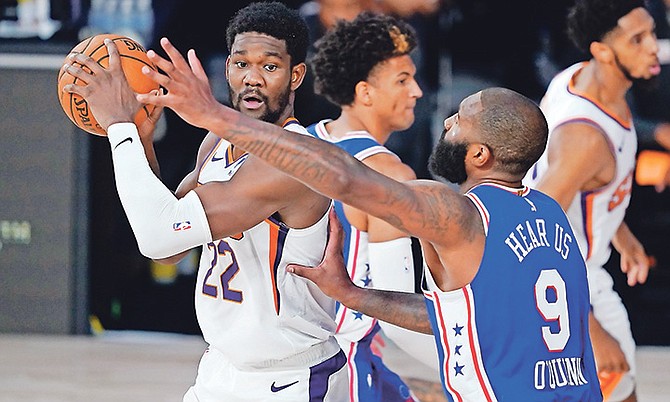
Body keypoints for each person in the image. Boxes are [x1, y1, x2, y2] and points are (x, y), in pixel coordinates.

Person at [130, 35, 602, 398]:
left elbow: (346, 179)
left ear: (479, 154)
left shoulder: (455, 212)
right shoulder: (551, 214)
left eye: (460, 118)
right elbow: (456, 318)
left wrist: (217, 115)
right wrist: (352, 294)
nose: (446, 121)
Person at [62, 2, 348, 401]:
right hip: (219, 367)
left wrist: (120, 127)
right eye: (241, 64)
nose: (252, 79)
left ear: (296, 74)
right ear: (227, 67)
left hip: (290, 375)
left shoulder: (294, 160)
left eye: (269, 67)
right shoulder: (216, 142)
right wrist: (141, 139)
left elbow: (158, 239)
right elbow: (170, 251)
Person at [524, 1, 659, 400]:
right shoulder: (585, 139)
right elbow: (532, 229)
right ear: (602, 50)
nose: (653, 47)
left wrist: (618, 231)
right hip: (570, 284)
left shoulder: (577, 78)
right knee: (621, 387)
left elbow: (588, 186)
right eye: (637, 40)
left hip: (578, 277)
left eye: (650, 32)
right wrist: (590, 329)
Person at [305, 11, 438, 401]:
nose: (417, 91)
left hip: (289, 351)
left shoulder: (297, 144)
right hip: (340, 364)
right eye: (402, 80)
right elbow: (393, 310)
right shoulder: (388, 175)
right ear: (365, 93)